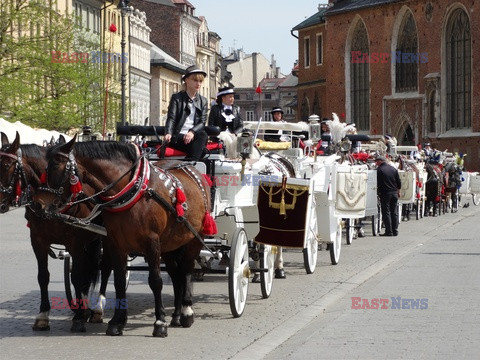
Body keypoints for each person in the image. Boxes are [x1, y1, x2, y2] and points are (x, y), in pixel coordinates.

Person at [164, 65, 208, 161]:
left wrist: (192, 132)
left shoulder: (203, 101)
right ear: (186, 80)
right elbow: (171, 118)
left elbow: (202, 122)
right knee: (202, 151)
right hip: (178, 136)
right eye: (195, 80)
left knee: (203, 135)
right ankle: (191, 164)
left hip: (194, 136)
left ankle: (188, 163)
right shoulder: (177, 98)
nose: (198, 84)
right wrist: (168, 133)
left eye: (200, 81)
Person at [208, 86, 243, 157]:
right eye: (230, 97)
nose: (232, 99)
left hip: (234, 135)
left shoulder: (237, 109)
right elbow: (211, 125)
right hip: (220, 136)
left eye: (233, 96)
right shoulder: (215, 109)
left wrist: (235, 133)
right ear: (223, 98)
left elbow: (241, 125)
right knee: (226, 138)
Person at [375, 154, 402, 236]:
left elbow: (378, 183)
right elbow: (399, 182)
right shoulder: (393, 169)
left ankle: (389, 231)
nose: (376, 163)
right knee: (394, 212)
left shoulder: (379, 170)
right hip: (394, 193)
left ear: (380, 161)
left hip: (385, 193)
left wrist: (378, 192)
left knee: (386, 212)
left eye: (377, 161)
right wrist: (398, 190)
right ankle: (395, 230)